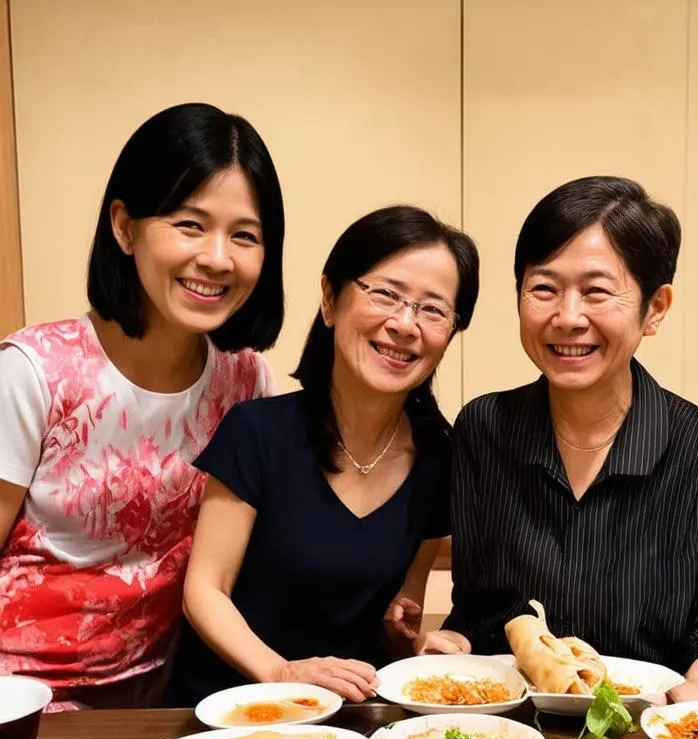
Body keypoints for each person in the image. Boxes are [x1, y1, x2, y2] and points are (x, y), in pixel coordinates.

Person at [416, 176, 698, 696]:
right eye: (544, 288)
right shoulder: (483, 429)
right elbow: (479, 608)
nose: (568, 317)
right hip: (504, 728)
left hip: (642, 732)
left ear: (656, 307)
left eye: (597, 291)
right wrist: (454, 644)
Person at [0, 102, 285, 708]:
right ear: (125, 227)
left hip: (165, 695)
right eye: (189, 224)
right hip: (19, 697)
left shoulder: (245, 381)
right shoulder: (34, 371)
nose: (216, 257)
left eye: (245, 235)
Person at [164, 206, 479, 706]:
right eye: (386, 294)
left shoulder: (440, 459)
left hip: (349, 724)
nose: (404, 323)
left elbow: (400, 619)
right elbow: (204, 590)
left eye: (433, 309)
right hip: (230, 710)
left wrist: (418, 644)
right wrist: (282, 673)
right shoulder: (257, 432)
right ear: (331, 301)